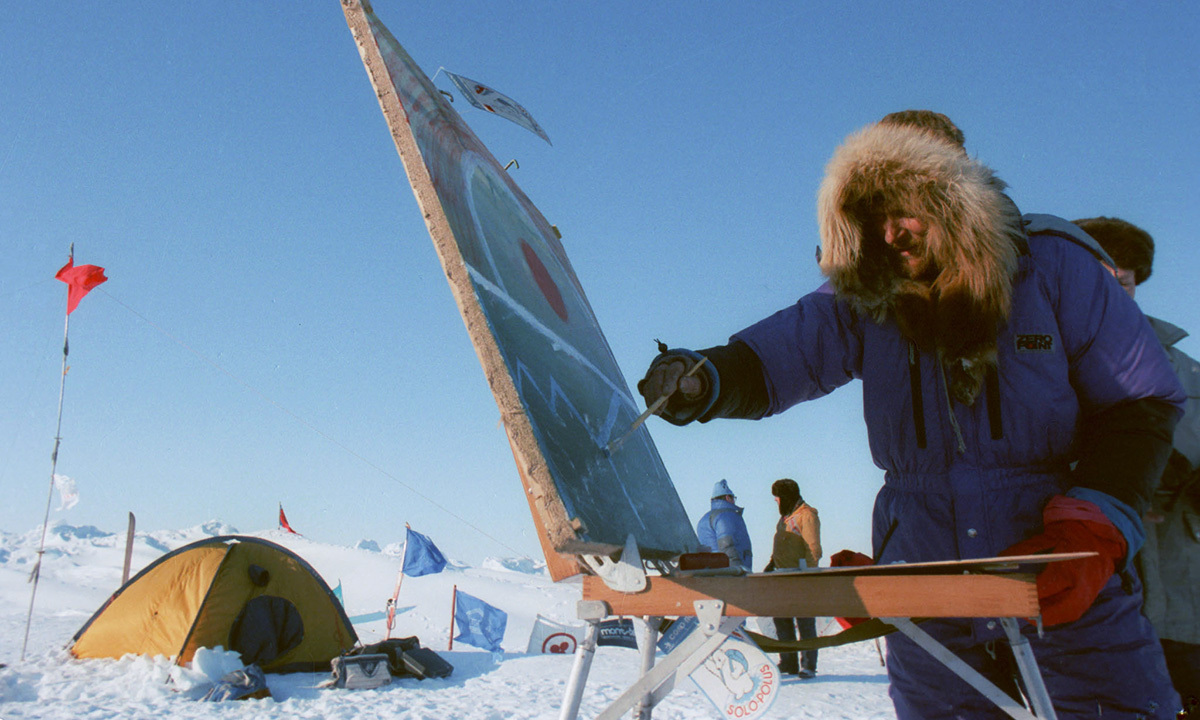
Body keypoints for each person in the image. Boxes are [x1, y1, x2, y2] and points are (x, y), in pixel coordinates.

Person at [637, 112, 1185, 717]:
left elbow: (1141, 401)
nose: (892, 231)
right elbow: (781, 355)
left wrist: (1093, 526)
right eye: (872, 215)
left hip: (1055, 556)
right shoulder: (863, 297)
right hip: (921, 569)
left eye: (911, 205)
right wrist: (704, 379)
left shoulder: (1053, 267)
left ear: (960, 198)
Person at [1074, 216, 1200, 711]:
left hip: (1183, 588)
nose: (1112, 292)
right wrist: (1120, 480)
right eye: (1098, 280)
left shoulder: (1185, 371)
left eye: (1122, 281)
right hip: (1096, 585)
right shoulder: (1038, 362)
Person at [762, 478, 821, 678]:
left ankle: (808, 666)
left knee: (805, 623)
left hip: (800, 578)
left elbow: (813, 550)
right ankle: (788, 661)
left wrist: (807, 576)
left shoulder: (807, 516)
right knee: (782, 620)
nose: (776, 502)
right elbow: (781, 545)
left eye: (777, 498)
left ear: (786, 497)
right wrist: (771, 564)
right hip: (781, 577)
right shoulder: (785, 519)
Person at [696, 479, 753, 572]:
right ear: (727, 498)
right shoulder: (727, 516)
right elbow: (727, 545)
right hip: (730, 575)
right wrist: (737, 571)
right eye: (733, 498)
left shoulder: (703, 520)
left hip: (711, 573)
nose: (734, 501)